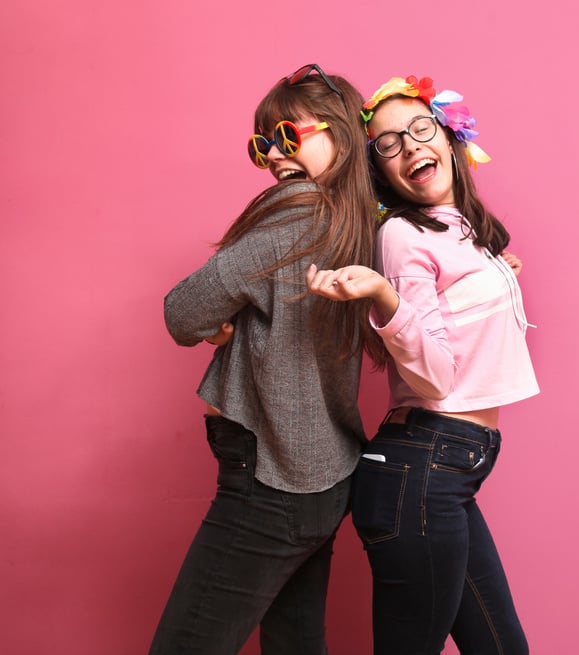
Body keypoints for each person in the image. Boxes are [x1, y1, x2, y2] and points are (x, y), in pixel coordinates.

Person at [150, 64, 382, 655]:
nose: (274, 155)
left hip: (270, 481)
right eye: (262, 144)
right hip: (323, 476)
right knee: (296, 643)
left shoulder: (294, 217)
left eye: (288, 135)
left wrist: (214, 322)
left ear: (340, 133)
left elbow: (182, 312)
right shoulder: (361, 220)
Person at [306, 75, 539, 655]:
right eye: (388, 144)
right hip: (424, 466)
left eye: (420, 128)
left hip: (447, 469)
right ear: (380, 171)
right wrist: (386, 296)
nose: (410, 147)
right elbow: (433, 377)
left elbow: (455, 316)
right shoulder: (404, 235)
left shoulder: (460, 229)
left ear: (449, 136)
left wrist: (497, 275)